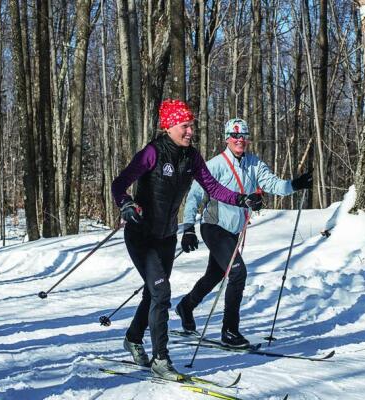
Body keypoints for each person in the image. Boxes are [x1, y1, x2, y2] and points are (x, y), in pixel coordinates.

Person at [111, 101, 262, 380]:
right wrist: (126, 204)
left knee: (153, 293)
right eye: (185, 126)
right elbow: (120, 183)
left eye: (192, 126)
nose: (191, 131)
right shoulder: (152, 153)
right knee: (161, 293)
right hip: (141, 235)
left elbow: (213, 187)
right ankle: (161, 359)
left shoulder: (191, 157)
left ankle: (133, 337)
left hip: (167, 235)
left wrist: (241, 198)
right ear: (169, 127)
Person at [176, 118, 313, 348]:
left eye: (243, 136)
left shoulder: (253, 164)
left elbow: (274, 185)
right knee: (238, 273)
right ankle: (230, 332)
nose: (240, 140)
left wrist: (295, 185)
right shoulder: (215, 165)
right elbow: (194, 196)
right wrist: (188, 227)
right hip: (213, 227)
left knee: (214, 276)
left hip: (233, 232)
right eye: (235, 136)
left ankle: (186, 307)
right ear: (227, 138)